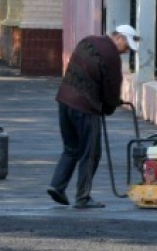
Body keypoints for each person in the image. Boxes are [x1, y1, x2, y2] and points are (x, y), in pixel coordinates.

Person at [47, 25, 139, 209]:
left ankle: (57, 186)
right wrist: (109, 107)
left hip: (64, 100)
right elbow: (112, 89)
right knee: (91, 153)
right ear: (119, 38)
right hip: (85, 107)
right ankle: (82, 197)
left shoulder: (87, 41)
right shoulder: (111, 56)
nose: (125, 51)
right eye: (126, 46)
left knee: (71, 148)